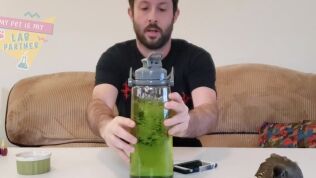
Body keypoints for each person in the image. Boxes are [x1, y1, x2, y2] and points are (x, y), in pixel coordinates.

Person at [87, 0, 218, 163]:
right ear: (131, 13)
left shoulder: (197, 58)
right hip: (133, 157)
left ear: (175, 15)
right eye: (144, 8)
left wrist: (189, 122)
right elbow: (98, 103)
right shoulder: (114, 58)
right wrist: (105, 125)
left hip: (185, 159)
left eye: (162, 9)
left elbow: (209, 111)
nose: (152, 17)